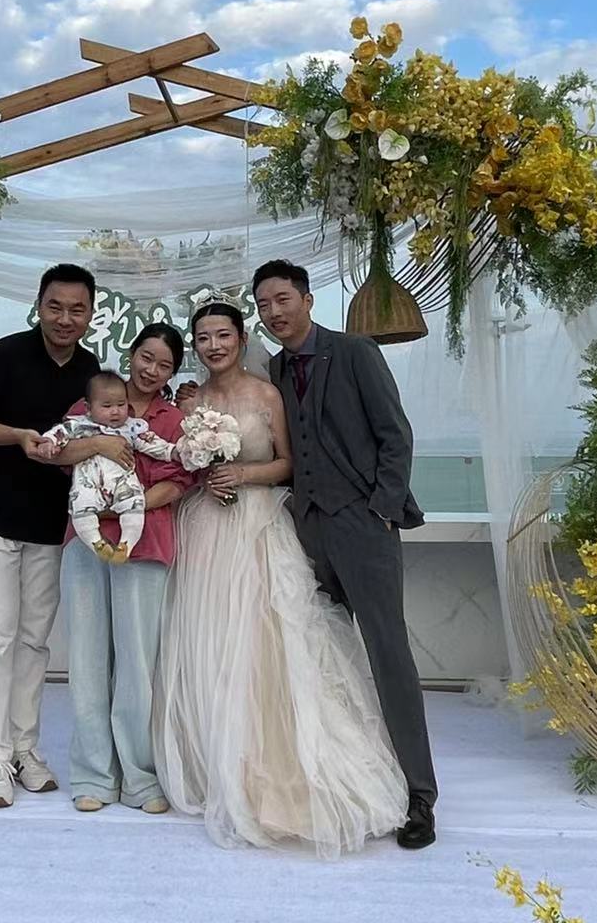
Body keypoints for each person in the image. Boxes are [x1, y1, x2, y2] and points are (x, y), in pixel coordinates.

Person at [152, 300, 409, 857]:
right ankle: (217, 760)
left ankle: (271, 767)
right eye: (203, 337)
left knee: (264, 642)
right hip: (205, 529)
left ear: (242, 340)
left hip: (257, 526)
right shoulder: (190, 401)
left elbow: (290, 464)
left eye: (223, 335)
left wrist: (241, 473)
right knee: (209, 641)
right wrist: (203, 470)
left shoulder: (267, 394)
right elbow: (180, 464)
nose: (214, 345)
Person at [253, 259, 437, 850]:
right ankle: (351, 783)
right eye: (263, 305)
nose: (274, 312)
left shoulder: (356, 351)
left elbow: (395, 435)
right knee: (326, 655)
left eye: (282, 299)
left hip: (363, 524)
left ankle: (420, 796)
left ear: (307, 299)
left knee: (388, 653)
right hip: (306, 531)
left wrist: (382, 510)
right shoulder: (275, 369)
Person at [0, 263, 102, 809]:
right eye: (55, 306)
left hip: (51, 522)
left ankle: (24, 749)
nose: (65, 318)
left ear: (91, 314)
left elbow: (97, 434)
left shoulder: (91, 370)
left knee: (35, 640)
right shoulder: (2, 354)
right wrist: (17, 436)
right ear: (39, 306)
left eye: (77, 309)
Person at [55, 323, 189, 815]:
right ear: (132, 354)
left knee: (137, 663)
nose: (152, 370)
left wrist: (126, 505)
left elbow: (179, 480)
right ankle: (93, 774)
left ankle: (140, 777)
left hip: (144, 544)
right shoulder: (92, 403)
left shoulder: (172, 419)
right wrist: (99, 445)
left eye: (165, 365)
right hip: (85, 545)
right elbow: (59, 453)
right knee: (87, 659)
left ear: (173, 373)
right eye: (146, 358)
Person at [41, 370, 177, 563]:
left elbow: (153, 444)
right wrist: (49, 443)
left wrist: (173, 451)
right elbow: (58, 434)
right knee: (81, 507)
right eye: (107, 406)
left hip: (123, 480)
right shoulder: (79, 425)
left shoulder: (131, 427)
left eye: (121, 405)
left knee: (135, 504)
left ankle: (126, 545)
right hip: (88, 482)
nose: (115, 411)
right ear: (88, 408)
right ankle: (96, 542)